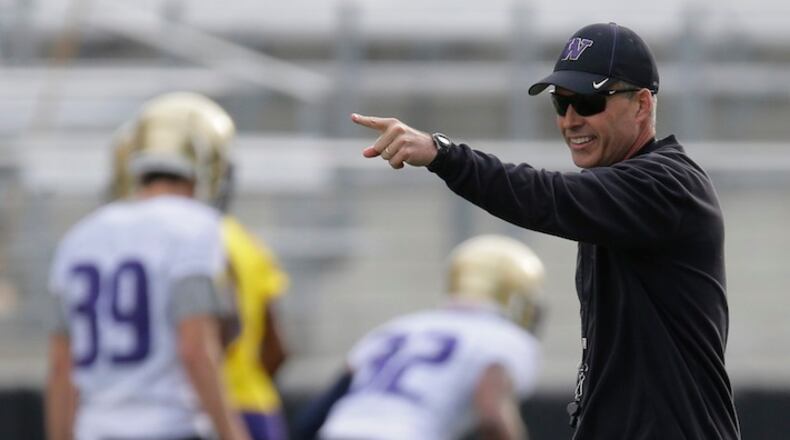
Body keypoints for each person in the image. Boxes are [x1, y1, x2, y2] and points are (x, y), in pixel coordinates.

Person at [351, 22, 741, 439]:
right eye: (561, 103)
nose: (571, 120)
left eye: (589, 102)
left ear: (642, 104)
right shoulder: (617, 196)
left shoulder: (667, 185)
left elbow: (546, 196)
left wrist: (442, 154)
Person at [46, 92, 250, 440]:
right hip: (169, 425)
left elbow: (61, 367)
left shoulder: (78, 238)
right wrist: (232, 433)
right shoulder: (195, 226)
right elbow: (196, 348)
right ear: (206, 161)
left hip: (93, 429)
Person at [106, 92, 292, 440]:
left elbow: (213, 335)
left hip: (190, 413)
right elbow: (276, 347)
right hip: (252, 406)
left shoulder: (150, 241)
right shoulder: (246, 241)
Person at [295, 234, 545, 440]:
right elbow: (491, 416)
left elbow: (322, 407)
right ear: (516, 297)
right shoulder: (505, 338)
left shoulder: (397, 328)